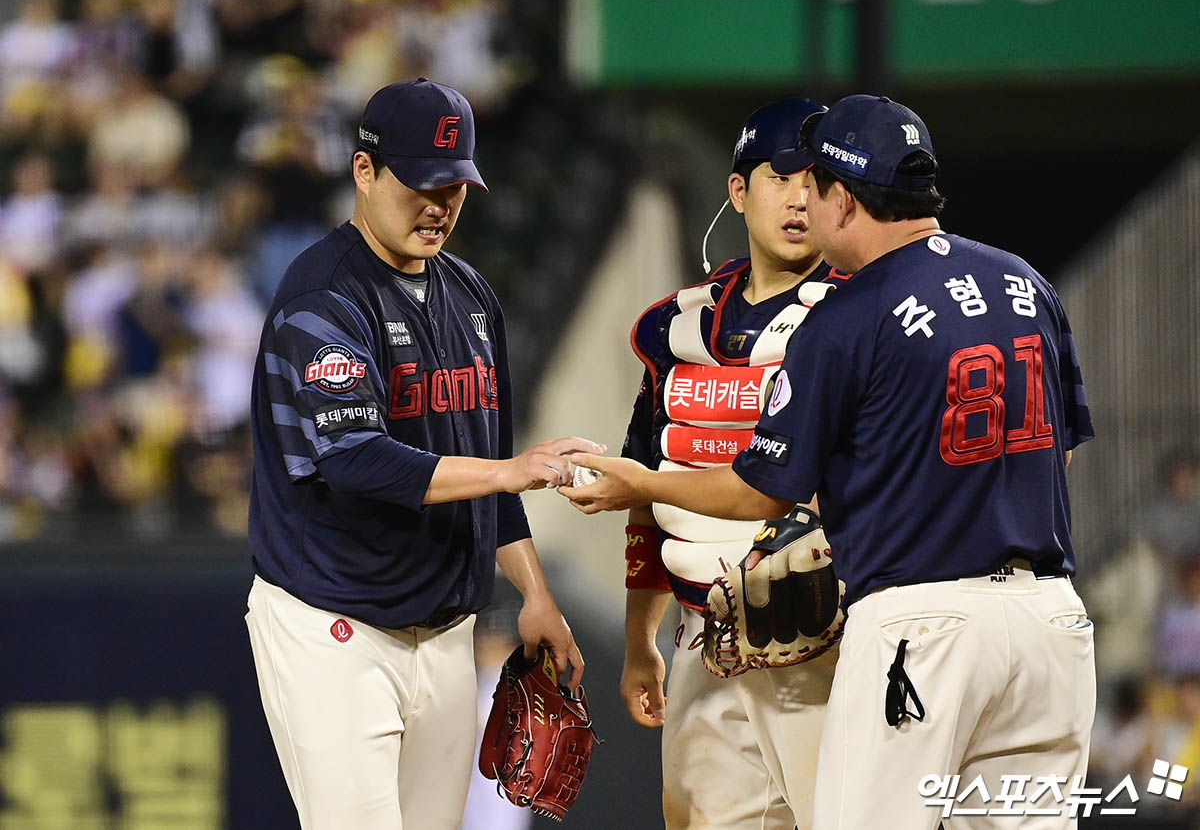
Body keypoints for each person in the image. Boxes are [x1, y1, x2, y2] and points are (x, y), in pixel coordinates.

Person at [563, 94, 1095, 829]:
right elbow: (1057, 449)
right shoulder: (1023, 281)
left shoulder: (849, 314)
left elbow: (762, 490)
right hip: (1049, 621)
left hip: (916, 620)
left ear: (842, 197)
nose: (800, 205)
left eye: (811, 186)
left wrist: (644, 485)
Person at [245, 78, 598, 830]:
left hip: (444, 635)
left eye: (455, 186)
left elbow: (485, 465)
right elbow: (355, 459)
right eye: (421, 183)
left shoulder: (470, 297)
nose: (439, 203)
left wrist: (534, 594)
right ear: (365, 173)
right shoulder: (323, 295)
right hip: (334, 627)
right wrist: (508, 471)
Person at [620, 98, 843, 830]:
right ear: (739, 191)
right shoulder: (677, 325)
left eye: (818, 179)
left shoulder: (866, 313)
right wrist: (638, 642)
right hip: (701, 637)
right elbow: (644, 483)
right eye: (781, 177)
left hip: (833, 645)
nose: (801, 197)